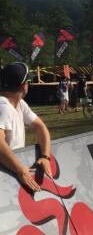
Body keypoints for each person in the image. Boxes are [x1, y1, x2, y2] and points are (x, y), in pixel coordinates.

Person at [0, 62, 52, 192]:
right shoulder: (3, 107)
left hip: (11, 171)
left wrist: (45, 156)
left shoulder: (20, 104)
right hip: (6, 174)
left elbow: (40, 127)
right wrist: (20, 169)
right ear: (24, 86)